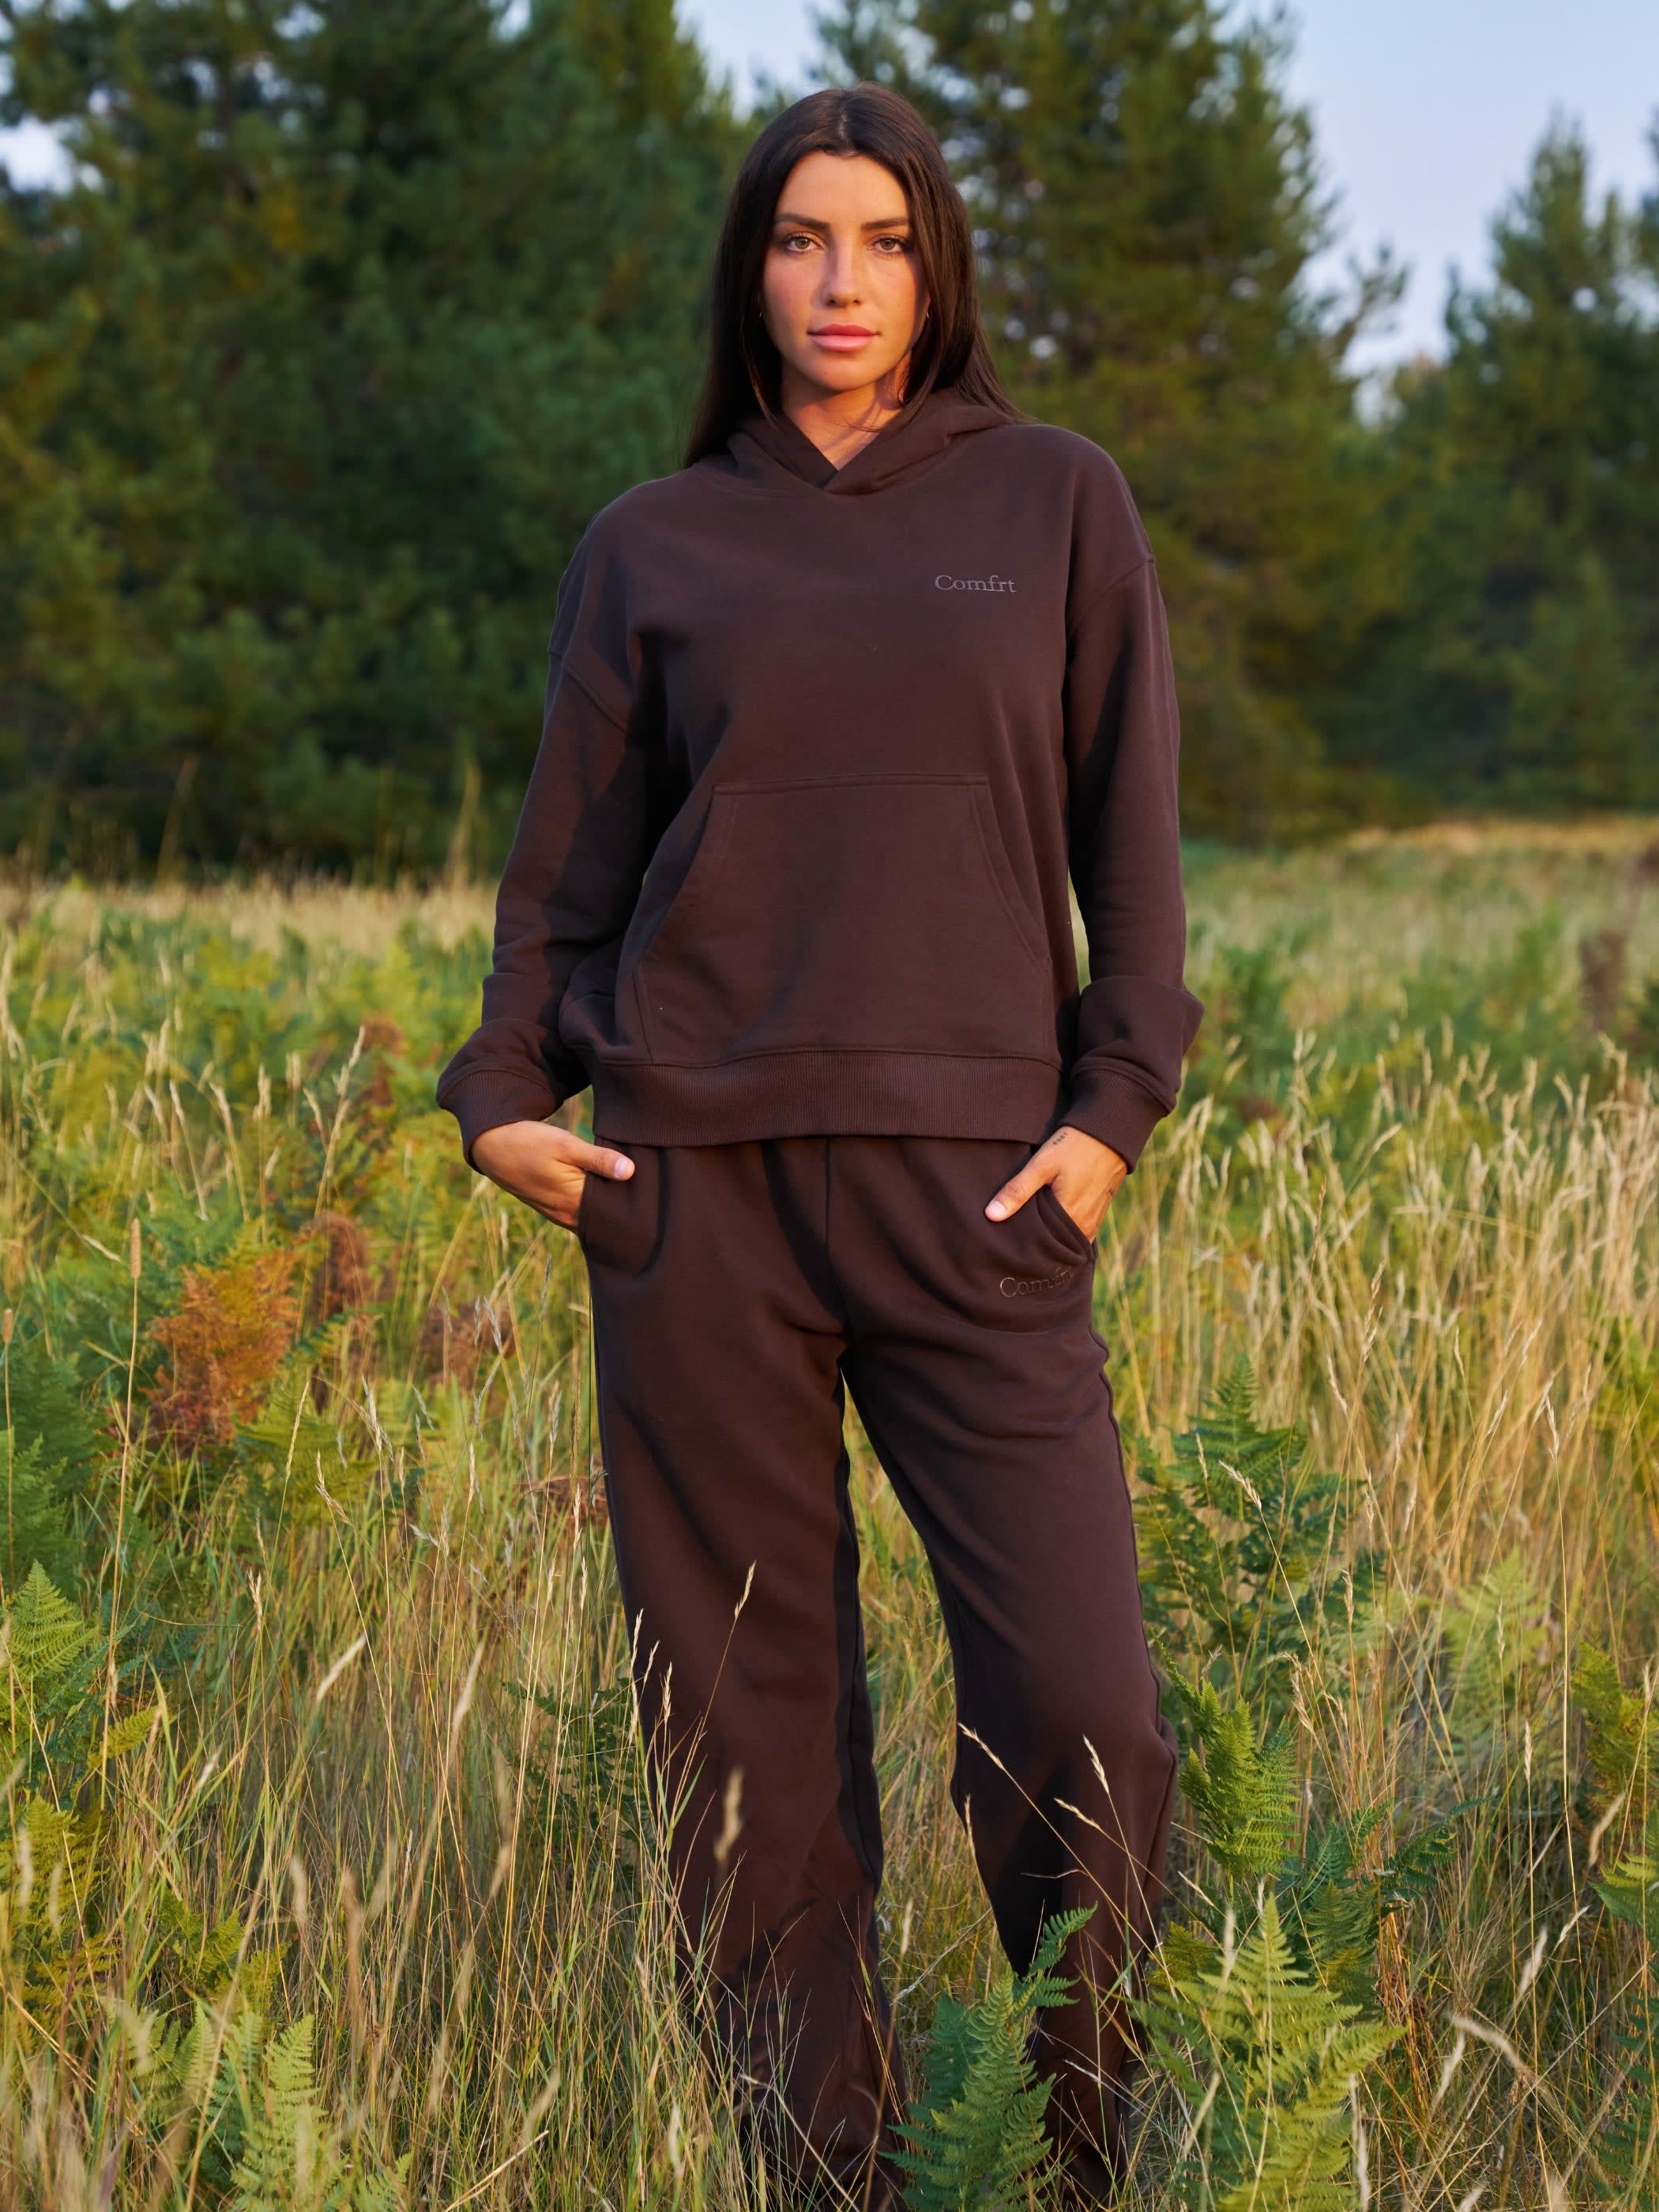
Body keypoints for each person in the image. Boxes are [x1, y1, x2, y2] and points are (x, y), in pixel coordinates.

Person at [437, 80, 1202, 2210]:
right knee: (750, 1745)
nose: (840, 283)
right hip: (699, 1198)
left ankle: (1071, 2154)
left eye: (879, 239)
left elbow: (1133, 857)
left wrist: (1111, 1114)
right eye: (798, 240)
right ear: (750, 272)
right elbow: (565, 873)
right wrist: (501, 1101)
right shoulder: (655, 542)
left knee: (1085, 1709)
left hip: (982, 1195)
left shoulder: (1053, 501)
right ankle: (823, 2170)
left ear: (935, 264)